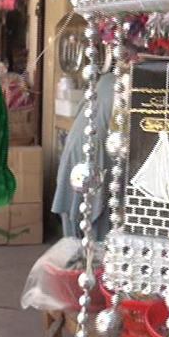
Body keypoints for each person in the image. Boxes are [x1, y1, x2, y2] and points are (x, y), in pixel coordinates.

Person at [52, 72, 115, 241]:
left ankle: (79, 259)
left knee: (78, 210)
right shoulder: (123, 84)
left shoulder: (106, 80)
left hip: (79, 145)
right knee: (91, 216)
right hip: (91, 151)